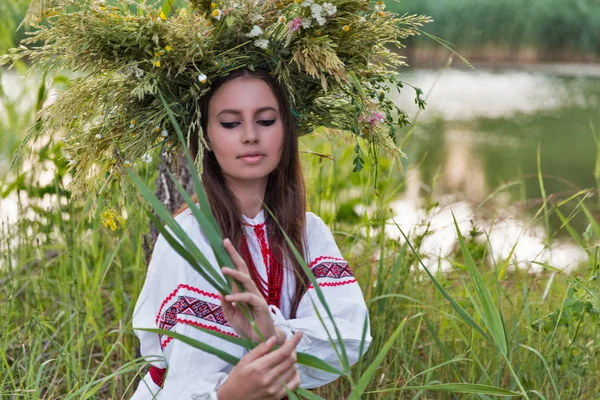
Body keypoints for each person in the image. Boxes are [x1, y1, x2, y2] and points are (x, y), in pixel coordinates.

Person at [131, 68, 372, 400]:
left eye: (266, 121)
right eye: (230, 123)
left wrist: (269, 331)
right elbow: (184, 374)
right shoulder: (189, 236)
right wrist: (229, 395)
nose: (250, 136)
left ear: (286, 130)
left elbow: (348, 339)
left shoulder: (308, 231)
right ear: (206, 138)